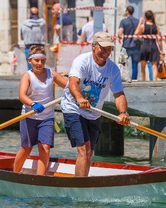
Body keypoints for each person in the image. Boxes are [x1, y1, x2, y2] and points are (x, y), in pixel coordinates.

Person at [60, 32, 130, 177]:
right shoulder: (82, 61)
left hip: (94, 113)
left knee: (90, 152)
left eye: (109, 49)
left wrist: (123, 113)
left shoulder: (113, 69)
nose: (105, 53)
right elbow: (73, 82)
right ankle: (80, 187)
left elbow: (119, 94)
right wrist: (79, 98)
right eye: (102, 49)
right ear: (93, 47)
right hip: (74, 108)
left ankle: (84, 181)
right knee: (84, 150)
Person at [13, 46, 68, 175]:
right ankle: (14, 174)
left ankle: (40, 178)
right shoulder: (27, 76)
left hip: (47, 118)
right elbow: (22, 95)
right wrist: (33, 104)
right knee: (26, 148)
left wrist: (79, 91)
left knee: (45, 147)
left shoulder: (51, 74)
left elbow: (69, 85)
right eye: (36, 60)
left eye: (42, 61)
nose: (39, 64)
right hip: (28, 116)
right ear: (29, 61)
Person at [134, 10, 163, 81]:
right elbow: (159, 40)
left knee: (143, 67)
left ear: (145, 17)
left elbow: (136, 33)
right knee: (154, 66)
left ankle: (144, 82)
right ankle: (154, 82)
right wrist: (161, 50)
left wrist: (140, 22)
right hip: (153, 47)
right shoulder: (156, 27)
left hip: (145, 46)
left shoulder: (143, 26)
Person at [117, 6, 140, 80]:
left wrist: (119, 37)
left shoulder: (123, 21)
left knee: (122, 63)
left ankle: (123, 77)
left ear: (127, 11)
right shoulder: (137, 21)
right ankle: (134, 79)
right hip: (136, 45)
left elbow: (120, 33)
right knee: (135, 64)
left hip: (126, 46)